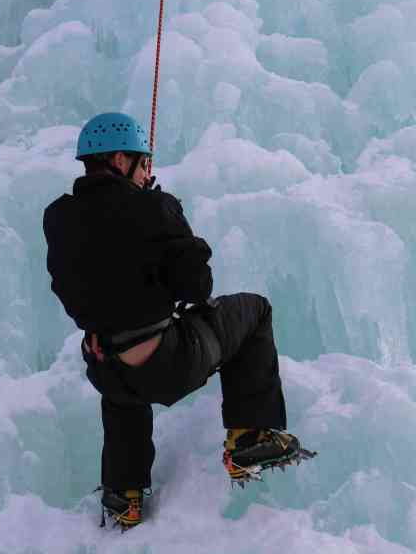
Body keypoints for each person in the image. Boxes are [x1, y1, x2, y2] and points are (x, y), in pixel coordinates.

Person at [42, 112, 312, 529]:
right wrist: (171, 218)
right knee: (255, 310)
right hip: (168, 363)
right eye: (144, 162)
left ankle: (124, 493)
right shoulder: (152, 206)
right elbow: (196, 287)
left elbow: (73, 285)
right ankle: (251, 436)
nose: (149, 170)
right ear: (119, 160)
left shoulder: (58, 217)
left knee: (121, 391)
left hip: (104, 365)